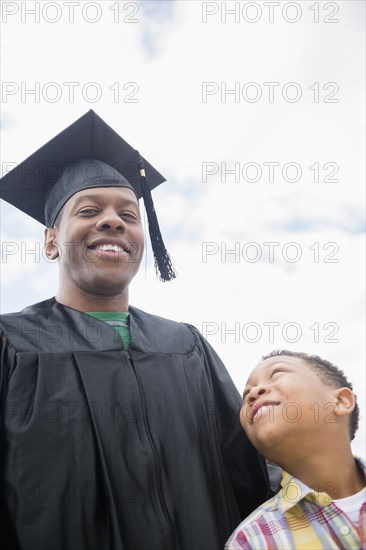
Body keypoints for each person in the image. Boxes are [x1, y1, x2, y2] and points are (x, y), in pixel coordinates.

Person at [0, 110, 272, 550]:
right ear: (51, 240)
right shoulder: (12, 345)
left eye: (129, 213)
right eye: (89, 210)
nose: (113, 221)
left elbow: (250, 475)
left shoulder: (186, 348)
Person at [226, 350, 365, 550]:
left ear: (341, 401)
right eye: (246, 394)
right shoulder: (250, 541)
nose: (253, 394)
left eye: (277, 373)